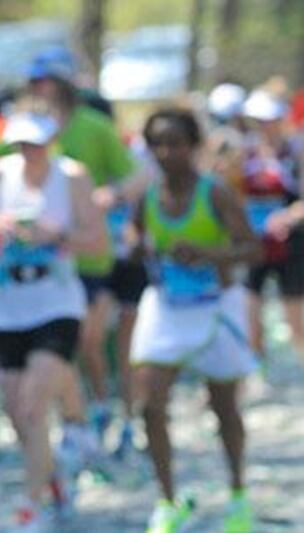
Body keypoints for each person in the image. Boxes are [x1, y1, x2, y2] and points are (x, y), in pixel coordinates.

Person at [0, 112, 106, 531]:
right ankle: (54, 478)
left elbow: (97, 238)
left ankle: (30, 507)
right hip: (11, 305)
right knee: (17, 413)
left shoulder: (72, 176)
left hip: (58, 303)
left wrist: (53, 235)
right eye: (22, 144)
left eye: (36, 144)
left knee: (33, 406)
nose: (29, 152)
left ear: (51, 141)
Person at [129, 109, 261, 533]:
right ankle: (167, 502)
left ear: (194, 145)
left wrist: (208, 255)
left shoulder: (215, 193)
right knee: (149, 404)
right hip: (167, 307)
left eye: (176, 142)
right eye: (158, 144)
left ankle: (238, 495)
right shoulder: (148, 195)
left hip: (216, 306)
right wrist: (138, 248)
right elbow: (133, 239)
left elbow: (252, 249)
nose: (167, 152)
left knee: (223, 406)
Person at [240, 88, 304, 364]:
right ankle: (257, 367)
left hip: (291, 243)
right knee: (250, 308)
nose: (265, 127)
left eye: (270, 120)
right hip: (256, 243)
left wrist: (287, 218)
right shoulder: (245, 153)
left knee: (294, 315)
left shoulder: (296, 153)